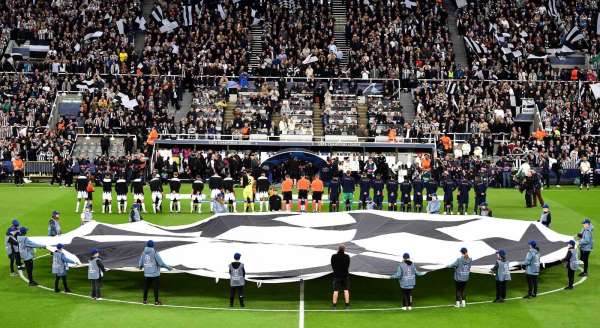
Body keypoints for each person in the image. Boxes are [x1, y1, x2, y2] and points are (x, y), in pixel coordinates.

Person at [139, 240, 172, 305]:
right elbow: (161, 263)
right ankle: (156, 301)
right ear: (152, 245)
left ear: (147, 245)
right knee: (155, 287)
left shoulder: (143, 253)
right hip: (155, 274)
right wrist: (168, 267)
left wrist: (140, 267)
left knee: (146, 287)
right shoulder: (155, 252)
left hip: (146, 273)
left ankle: (144, 300)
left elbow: (141, 263)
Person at [331, 245, 351, 310]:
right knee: (346, 290)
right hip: (345, 276)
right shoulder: (347, 256)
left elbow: (333, 265)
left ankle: (334, 306)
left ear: (338, 249)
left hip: (336, 276)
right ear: (344, 249)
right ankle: (347, 305)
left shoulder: (333, 256)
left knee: (335, 291)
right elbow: (347, 266)